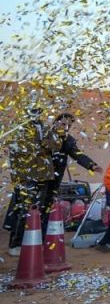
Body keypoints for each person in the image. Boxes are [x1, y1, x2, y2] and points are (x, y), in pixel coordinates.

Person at [6, 107, 60, 256]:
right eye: (33, 111)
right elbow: (19, 150)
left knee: (38, 210)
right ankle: (16, 244)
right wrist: (41, 146)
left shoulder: (45, 127)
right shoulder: (19, 128)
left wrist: (45, 143)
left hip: (44, 175)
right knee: (25, 210)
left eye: (38, 111)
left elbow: (57, 144)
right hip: (26, 176)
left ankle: (33, 243)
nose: (36, 114)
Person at [44, 112, 100, 220]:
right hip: (41, 177)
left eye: (69, 126)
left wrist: (91, 165)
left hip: (56, 178)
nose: (66, 128)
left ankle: (45, 225)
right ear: (55, 123)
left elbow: (77, 154)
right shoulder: (45, 136)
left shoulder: (68, 140)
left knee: (49, 203)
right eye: (63, 124)